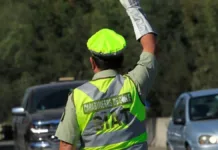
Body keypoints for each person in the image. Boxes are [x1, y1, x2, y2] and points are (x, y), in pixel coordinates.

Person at [55, 0, 157, 149]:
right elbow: (150, 46)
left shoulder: (78, 98)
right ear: (121, 60)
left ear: (92, 62)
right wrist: (133, 7)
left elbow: (66, 146)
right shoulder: (135, 84)